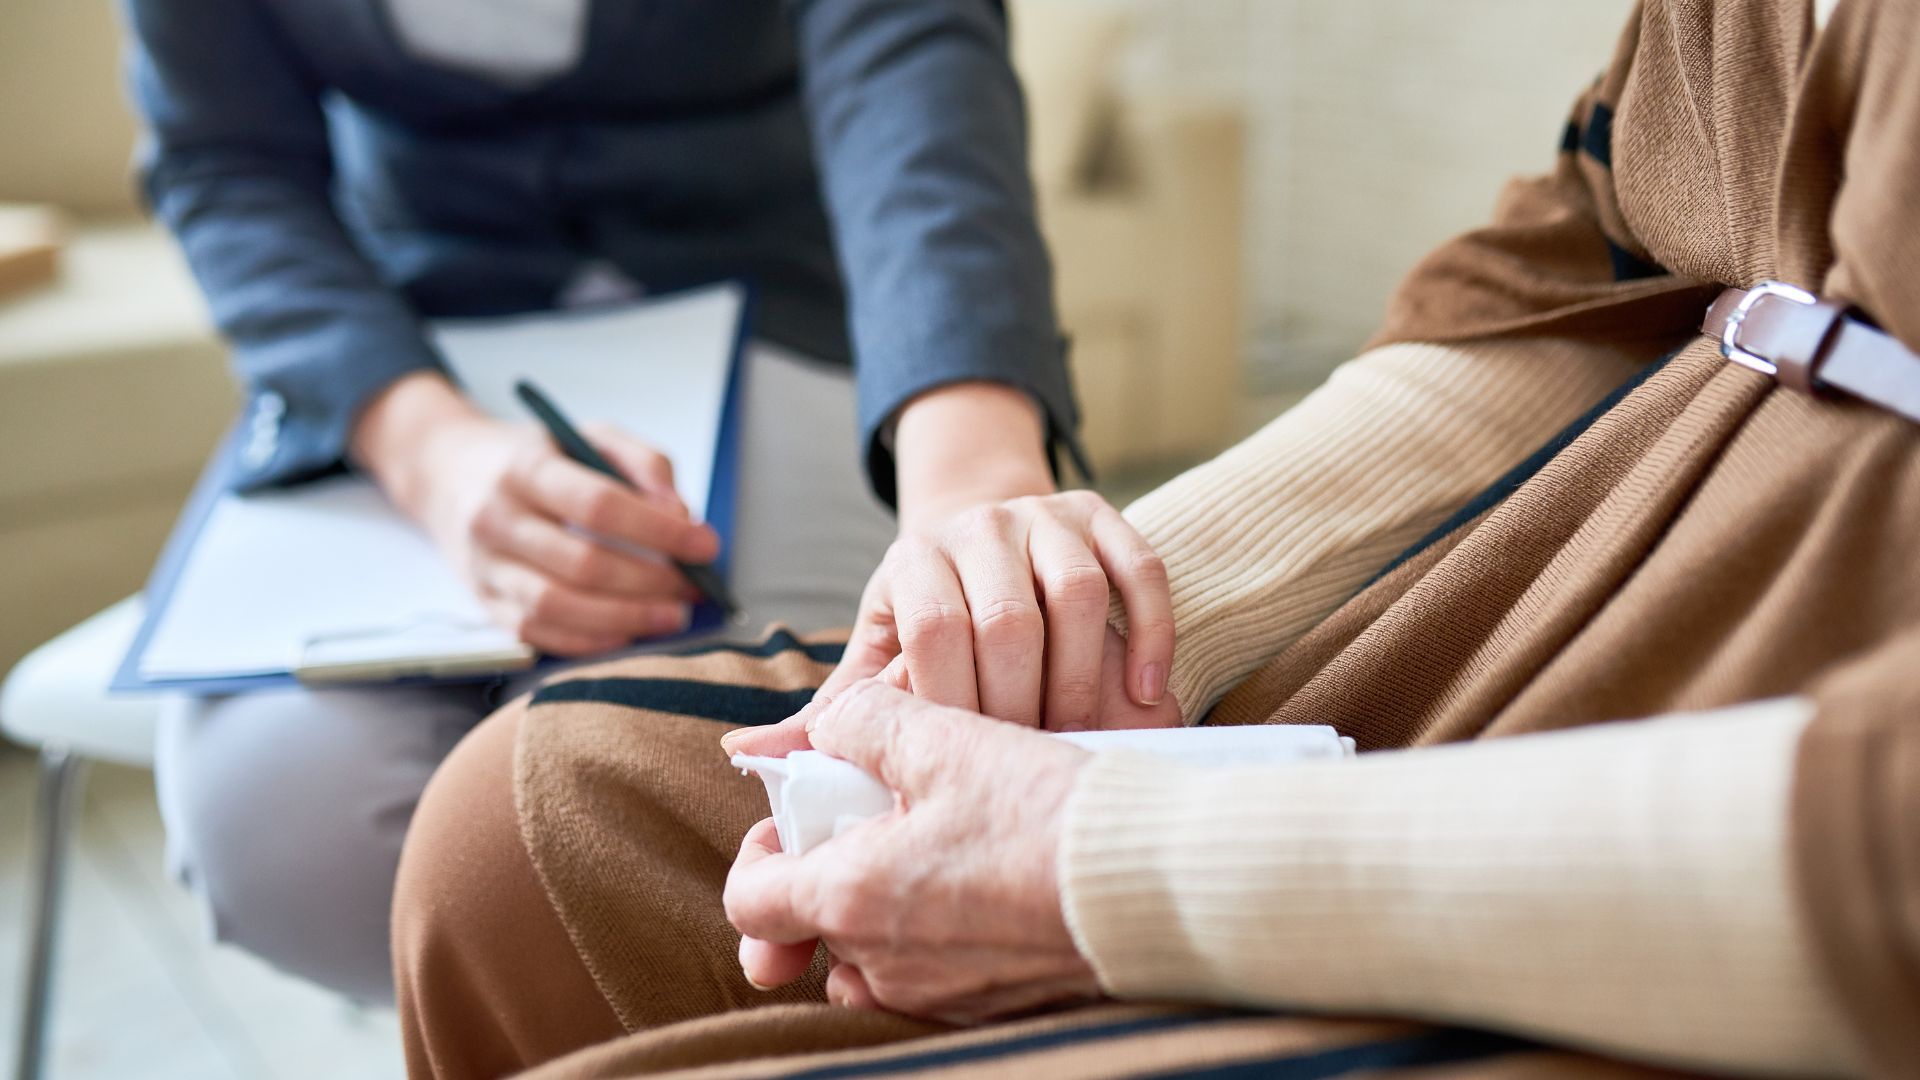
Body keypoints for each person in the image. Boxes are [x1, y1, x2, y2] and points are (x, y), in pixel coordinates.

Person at [393, 0, 1918, 1076]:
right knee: (512, 834)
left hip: (1812, 836)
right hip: (1562, 563)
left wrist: (1117, 865)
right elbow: (1594, 260)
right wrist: (1096, 603)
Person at [122, 0, 1176, 1003]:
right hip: (406, 354)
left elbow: (908, 64)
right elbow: (224, 160)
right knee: (282, 842)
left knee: (764, 812)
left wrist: (972, 473)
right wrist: (431, 455)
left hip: (782, 304)